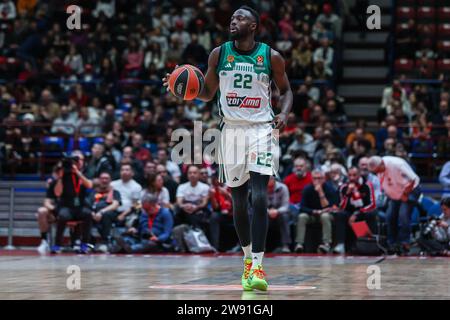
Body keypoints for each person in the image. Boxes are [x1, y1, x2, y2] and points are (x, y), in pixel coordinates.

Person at [164, 5, 293, 291]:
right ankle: (247, 259)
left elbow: (286, 91)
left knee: (259, 197)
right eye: (233, 18)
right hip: (231, 130)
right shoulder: (219, 54)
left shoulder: (271, 57)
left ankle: (258, 265)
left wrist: (283, 114)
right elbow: (207, 92)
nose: (234, 21)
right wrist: (183, 90)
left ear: (254, 26)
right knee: (239, 200)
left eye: (241, 18)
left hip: (261, 130)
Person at [368, 156, 421, 254]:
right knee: (389, 216)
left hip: (410, 190)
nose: (377, 173)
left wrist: (405, 193)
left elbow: (414, 179)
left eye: (377, 170)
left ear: (382, 164)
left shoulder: (397, 164)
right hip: (395, 192)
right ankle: (392, 243)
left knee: (403, 215)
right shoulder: (380, 168)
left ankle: (404, 243)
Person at [51, 151, 93, 253]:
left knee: (88, 214)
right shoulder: (64, 173)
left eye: (79, 160)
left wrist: (77, 172)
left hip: (80, 206)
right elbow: (57, 193)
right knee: (63, 216)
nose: (76, 162)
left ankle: (84, 244)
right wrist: (60, 177)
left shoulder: (86, 172)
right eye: (74, 160)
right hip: (66, 206)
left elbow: (89, 185)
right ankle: (57, 244)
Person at [334, 167, 377, 254]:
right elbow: (341, 206)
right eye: (350, 175)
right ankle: (340, 244)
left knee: (371, 214)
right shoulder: (343, 187)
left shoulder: (367, 185)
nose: (352, 178)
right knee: (340, 214)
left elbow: (372, 204)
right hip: (349, 212)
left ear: (359, 174)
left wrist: (357, 214)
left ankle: (368, 245)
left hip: (363, 211)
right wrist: (348, 193)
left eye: (354, 175)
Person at [294, 169, 339, 253]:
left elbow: (332, 206)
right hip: (312, 214)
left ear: (324, 178)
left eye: (319, 178)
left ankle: (326, 244)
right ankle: (299, 244)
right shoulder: (307, 188)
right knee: (302, 216)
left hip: (327, 215)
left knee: (324, 216)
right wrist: (314, 211)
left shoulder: (330, 188)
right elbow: (302, 207)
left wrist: (320, 192)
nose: (317, 181)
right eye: (315, 178)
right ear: (311, 179)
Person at [83, 171, 121, 252]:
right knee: (86, 214)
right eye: (102, 178)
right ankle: (89, 243)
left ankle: (105, 243)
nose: (104, 180)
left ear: (110, 180)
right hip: (94, 214)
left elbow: (115, 204)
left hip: (107, 214)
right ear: (99, 180)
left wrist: (101, 212)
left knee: (107, 215)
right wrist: (92, 213)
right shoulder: (94, 192)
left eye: (106, 178)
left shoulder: (115, 192)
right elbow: (88, 204)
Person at [175, 165, 210, 229]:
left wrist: (196, 207)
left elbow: (204, 203)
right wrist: (184, 206)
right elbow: (179, 202)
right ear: (187, 174)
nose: (192, 175)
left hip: (199, 209)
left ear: (199, 174)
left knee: (199, 214)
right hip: (185, 209)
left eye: (194, 173)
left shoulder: (205, 187)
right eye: (190, 173)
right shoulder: (181, 187)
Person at [266, 176, 291, 253]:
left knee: (284, 216)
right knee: (256, 216)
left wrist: (276, 211)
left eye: (270, 178)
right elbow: (257, 205)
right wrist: (268, 211)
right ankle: (258, 245)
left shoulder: (283, 188)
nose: (268, 180)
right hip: (265, 213)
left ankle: (285, 246)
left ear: (274, 179)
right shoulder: (260, 188)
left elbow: (286, 206)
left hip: (279, 213)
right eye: (266, 178)